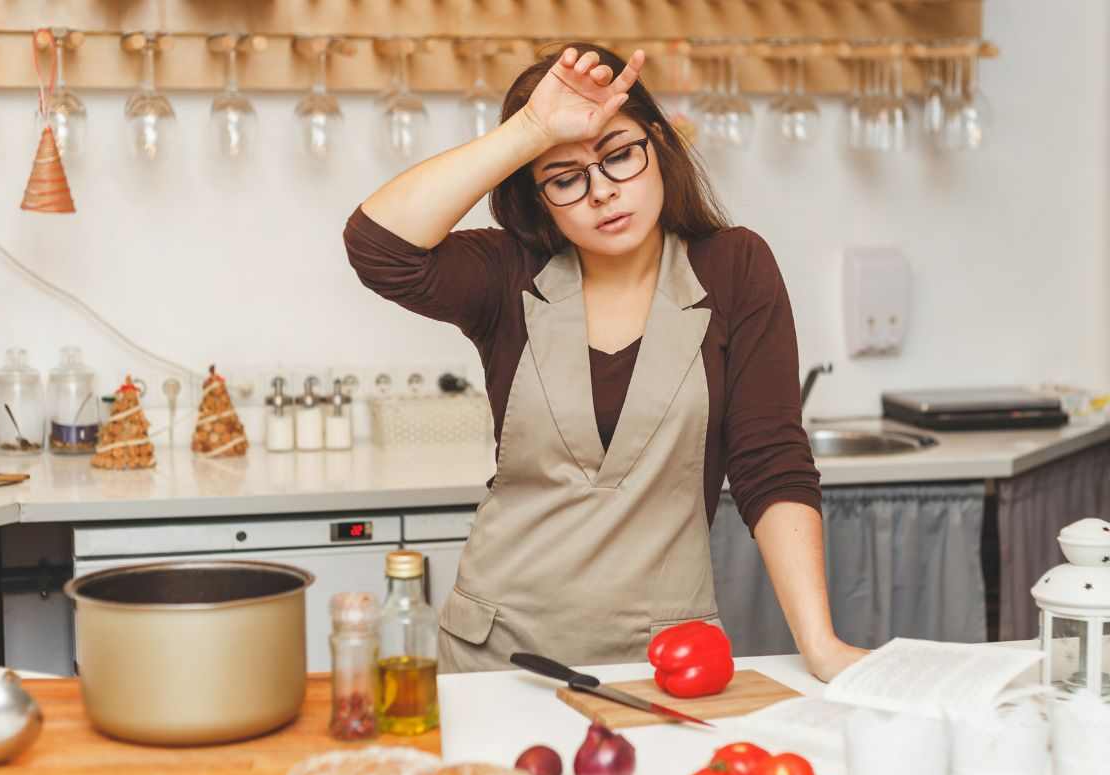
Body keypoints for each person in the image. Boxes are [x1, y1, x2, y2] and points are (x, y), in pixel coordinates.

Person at [344, 43, 866, 680]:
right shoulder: (510, 273)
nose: (603, 193)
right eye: (566, 178)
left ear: (659, 146)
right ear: (539, 199)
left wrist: (820, 644)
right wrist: (533, 130)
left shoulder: (733, 267)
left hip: (666, 657)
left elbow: (771, 463)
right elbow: (378, 247)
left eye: (619, 156)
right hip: (496, 653)